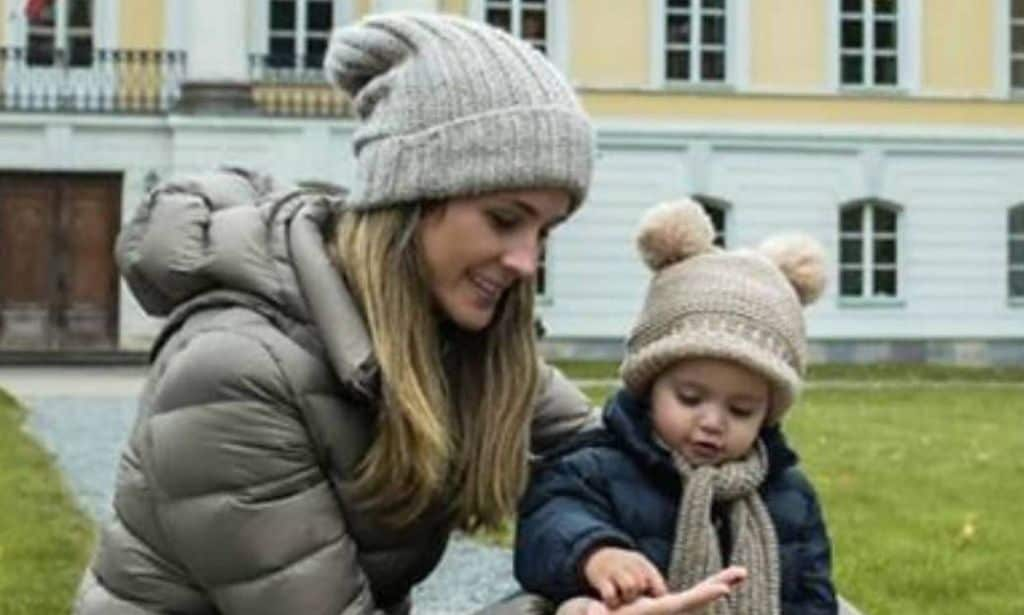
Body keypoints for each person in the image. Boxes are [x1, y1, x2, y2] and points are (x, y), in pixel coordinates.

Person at [72, 13, 741, 615]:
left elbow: (614, 459)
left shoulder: (461, 339)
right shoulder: (234, 373)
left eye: (545, 231)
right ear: (409, 202)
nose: (526, 261)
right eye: (505, 219)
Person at [515, 198, 839, 615]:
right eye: (689, 398)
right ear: (650, 384)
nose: (712, 422)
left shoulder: (789, 495)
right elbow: (547, 526)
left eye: (741, 410)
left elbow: (813, 595)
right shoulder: (598, 467)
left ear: (768, 414)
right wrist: (597, 554)